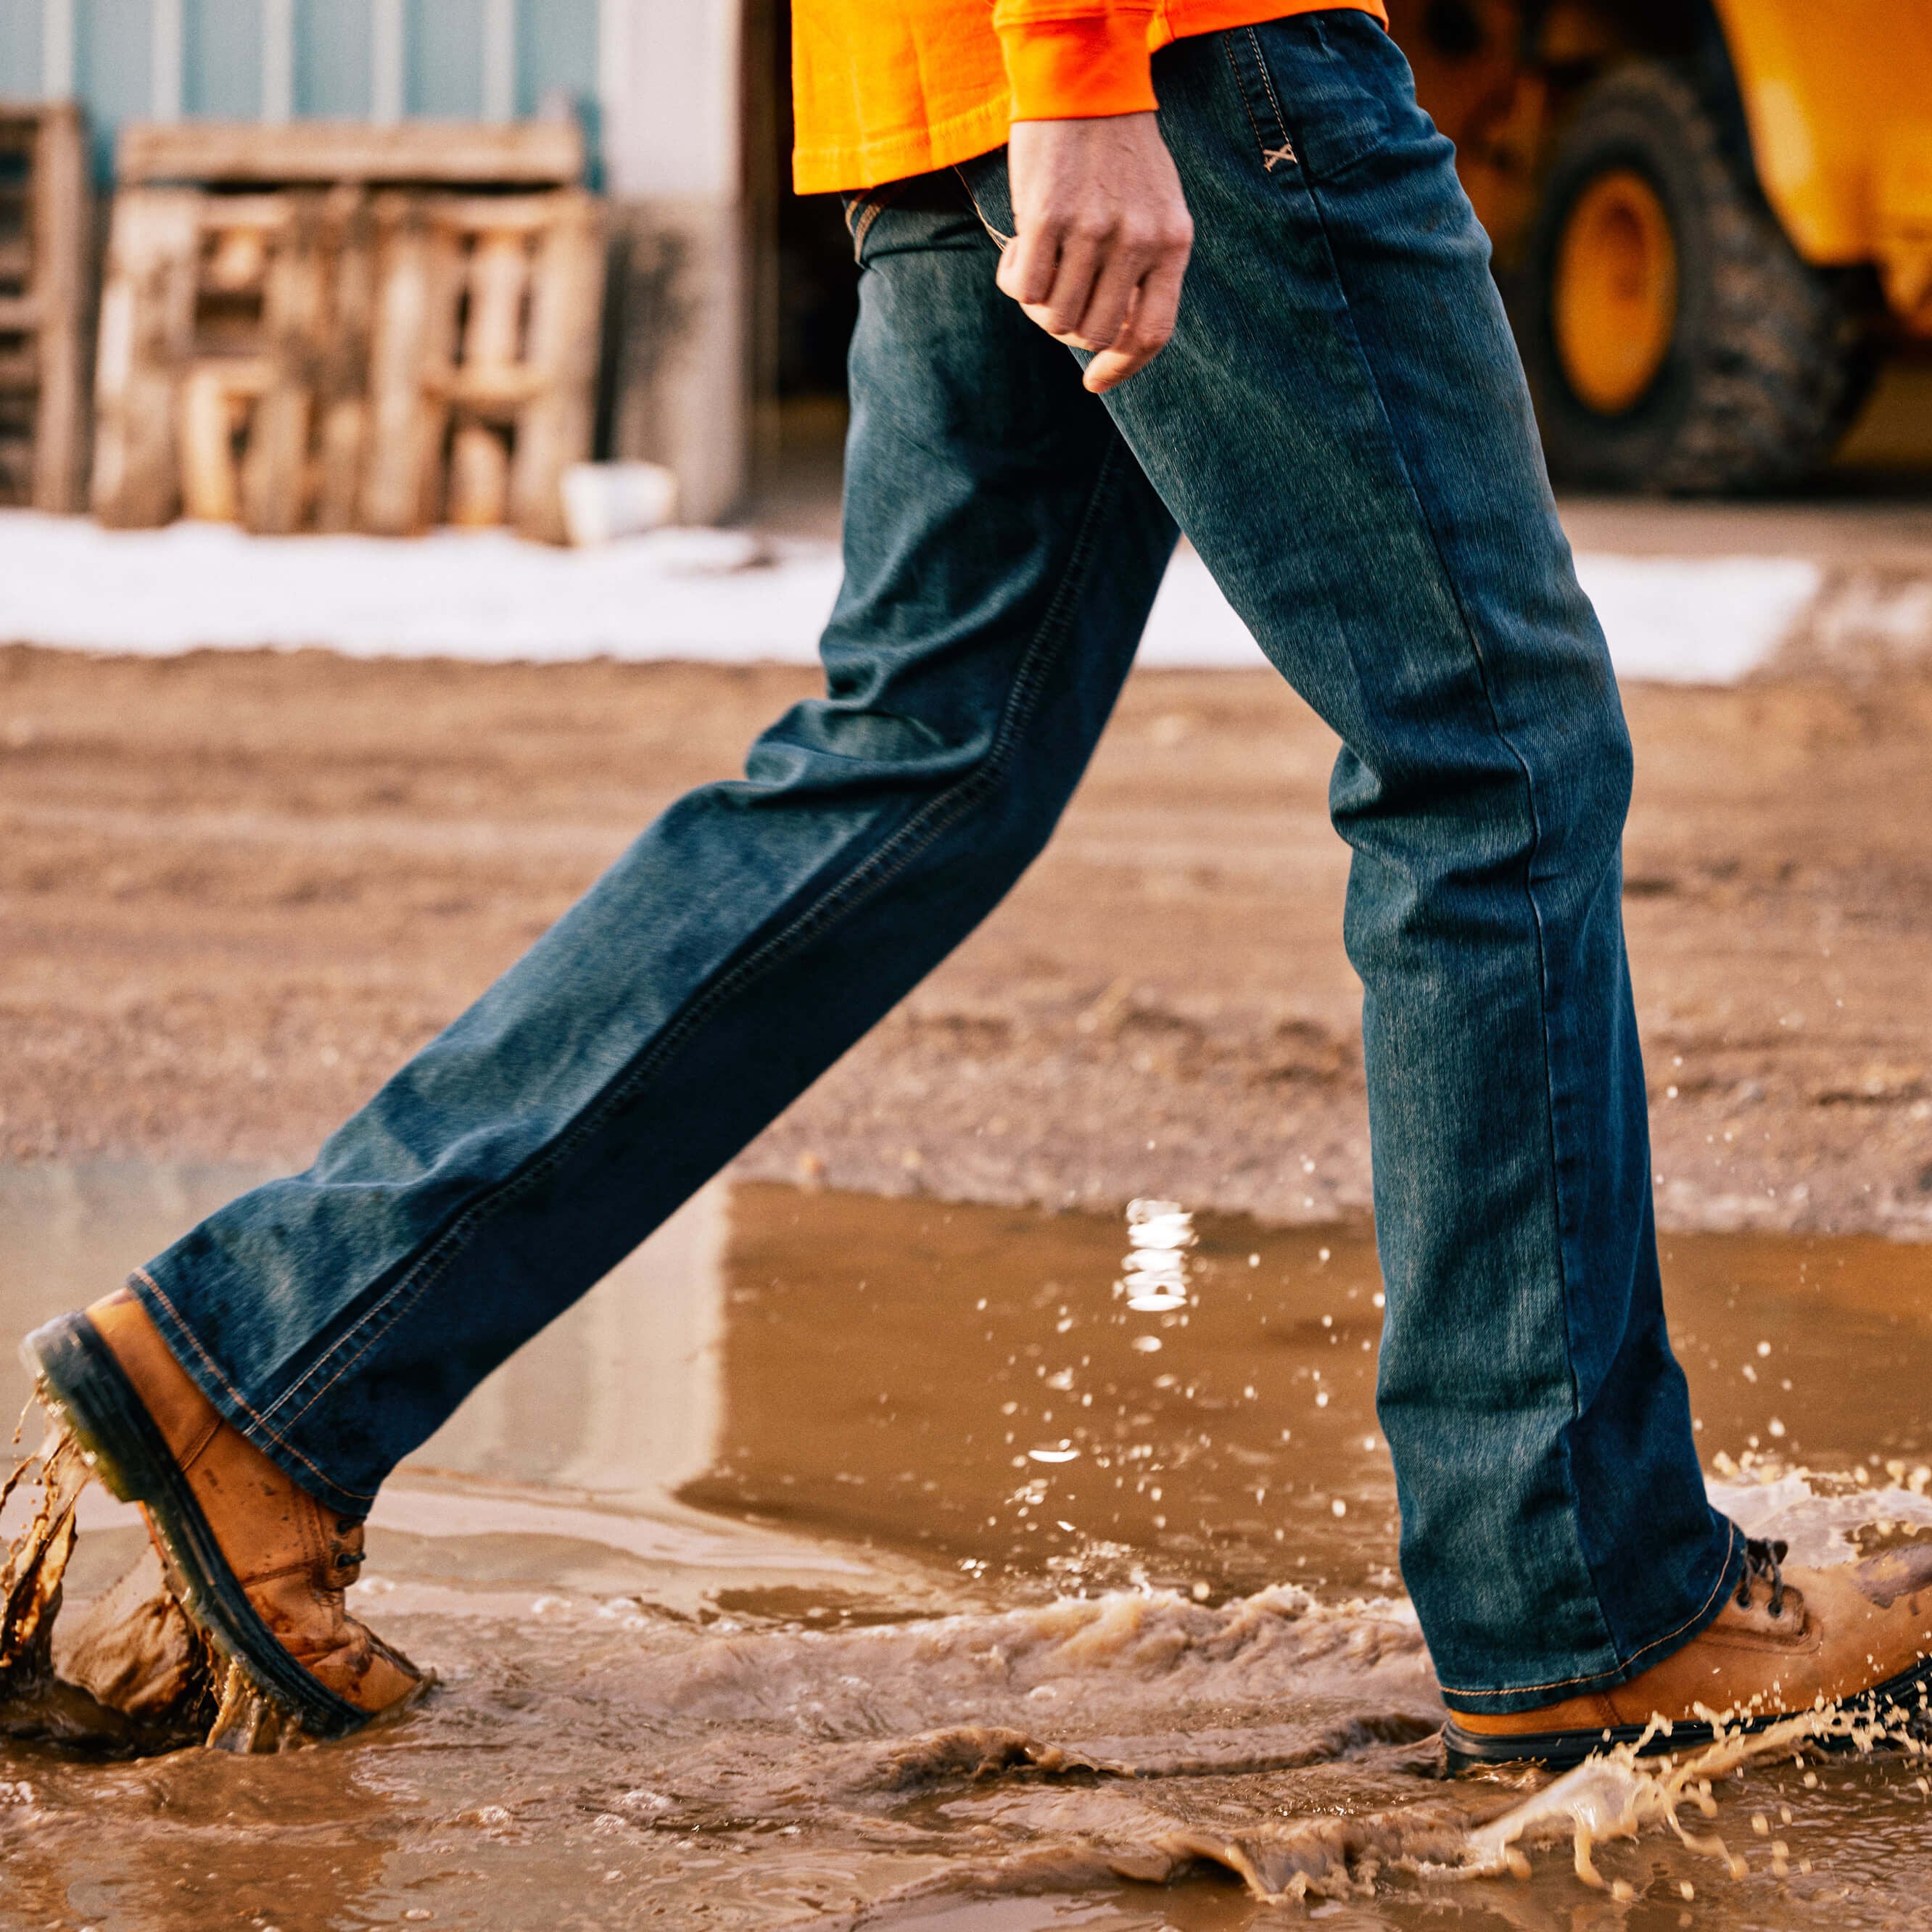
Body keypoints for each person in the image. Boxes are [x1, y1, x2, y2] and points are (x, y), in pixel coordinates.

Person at [28, 1, 1932, 1766]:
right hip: (1183, 62)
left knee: (922, 758)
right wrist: (1088, 67)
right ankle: (1585, 1590)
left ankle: (265, 1370)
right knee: (1491, 756)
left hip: (963, 79)